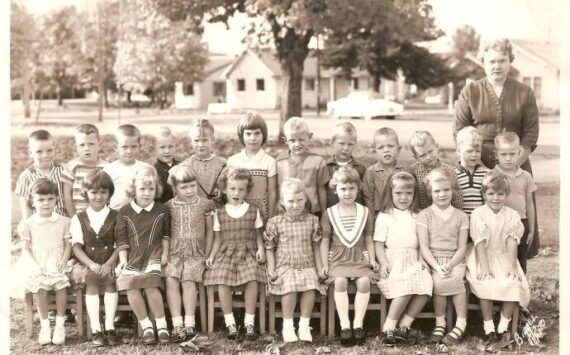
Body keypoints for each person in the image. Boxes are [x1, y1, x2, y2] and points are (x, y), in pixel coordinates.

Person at [454, 36, 540, 257]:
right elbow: (459, 131)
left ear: (510, 61)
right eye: (491, 61)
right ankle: (477, 284)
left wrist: (510, 167)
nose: (496, 66)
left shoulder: (524, 92)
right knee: (480, 227)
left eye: (502, 60)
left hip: (516, 163)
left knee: (515, 225)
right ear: (483, 61)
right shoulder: (471, 91)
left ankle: (515, 278)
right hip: (477, 165)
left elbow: (530, 135)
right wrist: (484, 168)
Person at [465, 171, 530, 349]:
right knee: (485, 282)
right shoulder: (478, 214)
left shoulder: (512, 215)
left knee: (512, 282)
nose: (496, 198)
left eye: (500, 194)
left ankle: (503, 326)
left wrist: (511, 267)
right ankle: (488, 327)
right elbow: (479, 242)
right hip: (483, 255)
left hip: (504, 256)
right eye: (491, 194)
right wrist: (484, 267)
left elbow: (511, 242)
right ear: (484, 194)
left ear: (506, 194)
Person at [203, 168, 266, 341]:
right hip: (226, 252)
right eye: (232, 189)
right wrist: (211, 256)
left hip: (247, 251)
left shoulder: (254, 210)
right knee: (222, 279)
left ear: (247, 191)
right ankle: (230, 322)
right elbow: (217, 239)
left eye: (241, 189)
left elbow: (258, 235)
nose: (236, 193)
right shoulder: (220, 212)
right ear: (224, 189)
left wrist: (261, 249)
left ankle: (249, 322)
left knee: (252, 277)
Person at [320, 166, 379, 346]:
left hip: (359, 256)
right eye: (343, 188)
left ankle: (358, 325)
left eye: (352, 188)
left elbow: (368, 237)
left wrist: (372, 259)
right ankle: (345, 326)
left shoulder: (364, 212)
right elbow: (324, 240)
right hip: (338, 257)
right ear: (335, 189)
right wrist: (324, 264)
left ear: (358, 188)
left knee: (363, 282)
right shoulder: (329, 213)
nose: (347, 193)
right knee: (340, 282)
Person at [374, 172, 432, 346]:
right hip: (394, 260)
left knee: (425, 286)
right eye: (398, 193)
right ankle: (389, 327)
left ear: (414, 195)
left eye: (408, 193)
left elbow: (423, 242)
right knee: (405, 286)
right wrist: (383, 262)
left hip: (413, 258)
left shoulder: (418, 215)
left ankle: (404, 326)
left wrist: (422, 259)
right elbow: (378, 243)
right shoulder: (385, 216)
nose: (403, 197)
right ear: (390, 193)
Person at [115, 166, 171, 344]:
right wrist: (123, 260)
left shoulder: (162, 209)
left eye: (151, 189)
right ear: (134, 190)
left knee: (151, 285)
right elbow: (121, 239)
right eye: (142, 189)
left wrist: (165, 254)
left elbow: (166, 235)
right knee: (131, 284)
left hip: (154, 252)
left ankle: (162, 327)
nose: (147, 193)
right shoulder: (125, 211)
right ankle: (146, 326)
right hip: (132, 256)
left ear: (157, 189)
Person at [265, 178, 325, 343]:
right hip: (285, 265)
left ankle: (304, 325)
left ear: (306, 200)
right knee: (289, 287)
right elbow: (269, 248)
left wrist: (319, 268)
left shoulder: (312, 220)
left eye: (300, 200)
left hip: (306, 264)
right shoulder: (275, 222)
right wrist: (271, 269)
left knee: (311, 287)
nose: (295, 205)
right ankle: (288, 325)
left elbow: (316, 247)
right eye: (290, 201)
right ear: (283, 202)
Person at [417, 168, 469, 345]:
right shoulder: (424, 215)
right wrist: (437, 266)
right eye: (437, 191)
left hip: (456, 259)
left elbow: (462, 247)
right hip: (433, 259)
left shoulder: (461, 216)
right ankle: (440, 323)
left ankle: (461, 323)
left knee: (456, 279)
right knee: (438, 281)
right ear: (430, 193)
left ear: (452, 190)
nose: (442, 194)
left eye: (446, 190)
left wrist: (452, 263)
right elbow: (424, 246)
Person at [69, 170, 121, 346]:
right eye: (94, 192)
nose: (99, 196)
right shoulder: (78, 218)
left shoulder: (117, 216)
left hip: (111, 260)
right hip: (88, 261)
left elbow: (120, 244)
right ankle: (96, 329)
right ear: (86, 193)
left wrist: (109, 263)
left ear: (109, 193)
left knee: (109, 281)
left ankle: (110, 326)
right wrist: (90, 263)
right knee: (91, 280)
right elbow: (76, 246)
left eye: (103, 192)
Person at [164, 165, 215, 342]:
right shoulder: (169, 206)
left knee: (188, 280)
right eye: (183, 187)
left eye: (192, 186)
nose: (189, 190)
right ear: (175, 189)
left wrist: (207, 254)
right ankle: (177, 324)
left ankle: (190, 323)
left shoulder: (205, 204)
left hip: (196, 252)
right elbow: (166, 233)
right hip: (175, 252)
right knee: (171, 279)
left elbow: (210, 231)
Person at [16, 179, 71, 345]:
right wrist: (33, 264)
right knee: (39, 286)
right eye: (40, 199)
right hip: (37, 261)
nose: (45, 203)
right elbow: (25, 248)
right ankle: (45, 325)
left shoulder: (64, 222)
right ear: (32, 201)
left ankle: (60, 324)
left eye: (50, 199)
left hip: (58, 260)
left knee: (60, 284)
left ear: (56, 200)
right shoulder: (28, 224)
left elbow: (68, 245)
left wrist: (63, 259)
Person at [491, 132, 536, 274]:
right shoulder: (493, 175)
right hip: (499, 223)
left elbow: (529, 204)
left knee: (521, 259)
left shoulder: (526, 176)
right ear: (496, 154)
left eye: (512, 154)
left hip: (521, 222)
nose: (508, 158)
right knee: (500, 260)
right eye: (503, 154)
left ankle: (520, 292)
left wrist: (532, 228)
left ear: (519, 152)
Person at [227, 113, 277, 222]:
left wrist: (271, 218)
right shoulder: (233, 161)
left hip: (262, 213)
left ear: (263, 134)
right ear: (242, 135)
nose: (253, 138)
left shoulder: (269, 162)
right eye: (248, 134)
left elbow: (272, 192)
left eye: (257, 133)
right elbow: (229, 191)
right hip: (240, 214)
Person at [276, 117, 330, 217]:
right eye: (292, 140)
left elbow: (321, 189)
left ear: (310, 137)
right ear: (285, 141)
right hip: (286, 212)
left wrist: (324, 213)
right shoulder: (280, 161)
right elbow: (277, 188)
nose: (297, 144)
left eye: (301, 139)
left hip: (312, 212)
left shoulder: (318, 161)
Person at [16, 130, 66, 218]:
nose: (45, 155)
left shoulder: (64, 170)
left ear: (54, 149)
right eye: (39, 152)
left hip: (63, 223)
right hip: (39, 226)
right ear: (30, 153)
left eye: (49, 150)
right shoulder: (26, 177)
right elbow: (26, 209)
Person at [409, 130, 463, 210]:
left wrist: (458, 212)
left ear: (437, 147)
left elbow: (456, 195)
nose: (428, 157)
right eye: (422, 155)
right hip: (421, 213)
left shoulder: (449, 170)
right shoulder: (413, 171)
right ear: (416, 157)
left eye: (430, 151)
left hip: (445, 213)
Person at [62, 124, 108, 215]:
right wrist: (73, 217)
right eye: (82, 145)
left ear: (99, 144)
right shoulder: (72, 167)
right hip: (79, 216)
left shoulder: (107, 168)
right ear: (76, 147)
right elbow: (67, 195)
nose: (87, 148)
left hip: (102, 216)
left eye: (91, 144)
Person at [103, 124, 152, 210]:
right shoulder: (109, 169)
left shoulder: (146, 169)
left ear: (139, 146)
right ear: (115, 147)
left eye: (133, 147)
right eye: (124, 147)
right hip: (115, 214)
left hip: (139, 214)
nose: (129, 151)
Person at [362, 127, 407, 217]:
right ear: (375, 151)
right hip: (379, 217)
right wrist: (370, 227)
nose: (386, 150)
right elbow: (368, 200)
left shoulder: (405, 170)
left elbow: (412, 196)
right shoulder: (371, 172)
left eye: (390, 146)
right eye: (381, 147)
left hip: (402, 216)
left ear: (398, 150)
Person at [182, 119, 227, 203]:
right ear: (190, 141)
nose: (200, 145)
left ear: (213, 138)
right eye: (196, 140)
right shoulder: (185, 166)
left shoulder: (223, 164)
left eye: (204, 140)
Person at [325, 122, 366, 207]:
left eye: (350, 144)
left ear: (355, 144)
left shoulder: (360, 168)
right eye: (341, 143)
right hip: (332, 213)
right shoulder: (325, 167)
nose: (346, 148)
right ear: (332, 142)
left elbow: (364, 195)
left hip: (354, 213)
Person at [454, 126, 488, 216]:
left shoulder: (485, 174)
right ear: (458, 150)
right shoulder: (453, 174)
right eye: (469, 151)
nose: (474, 155)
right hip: (461, 222)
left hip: (479, 221)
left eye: (478, 151)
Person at [153, 126, 180, 204]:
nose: (167, 151)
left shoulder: (182, 166)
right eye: (162, 147)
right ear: (154, 148)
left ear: (175, 147)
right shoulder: (153, 171)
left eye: (170, 146)